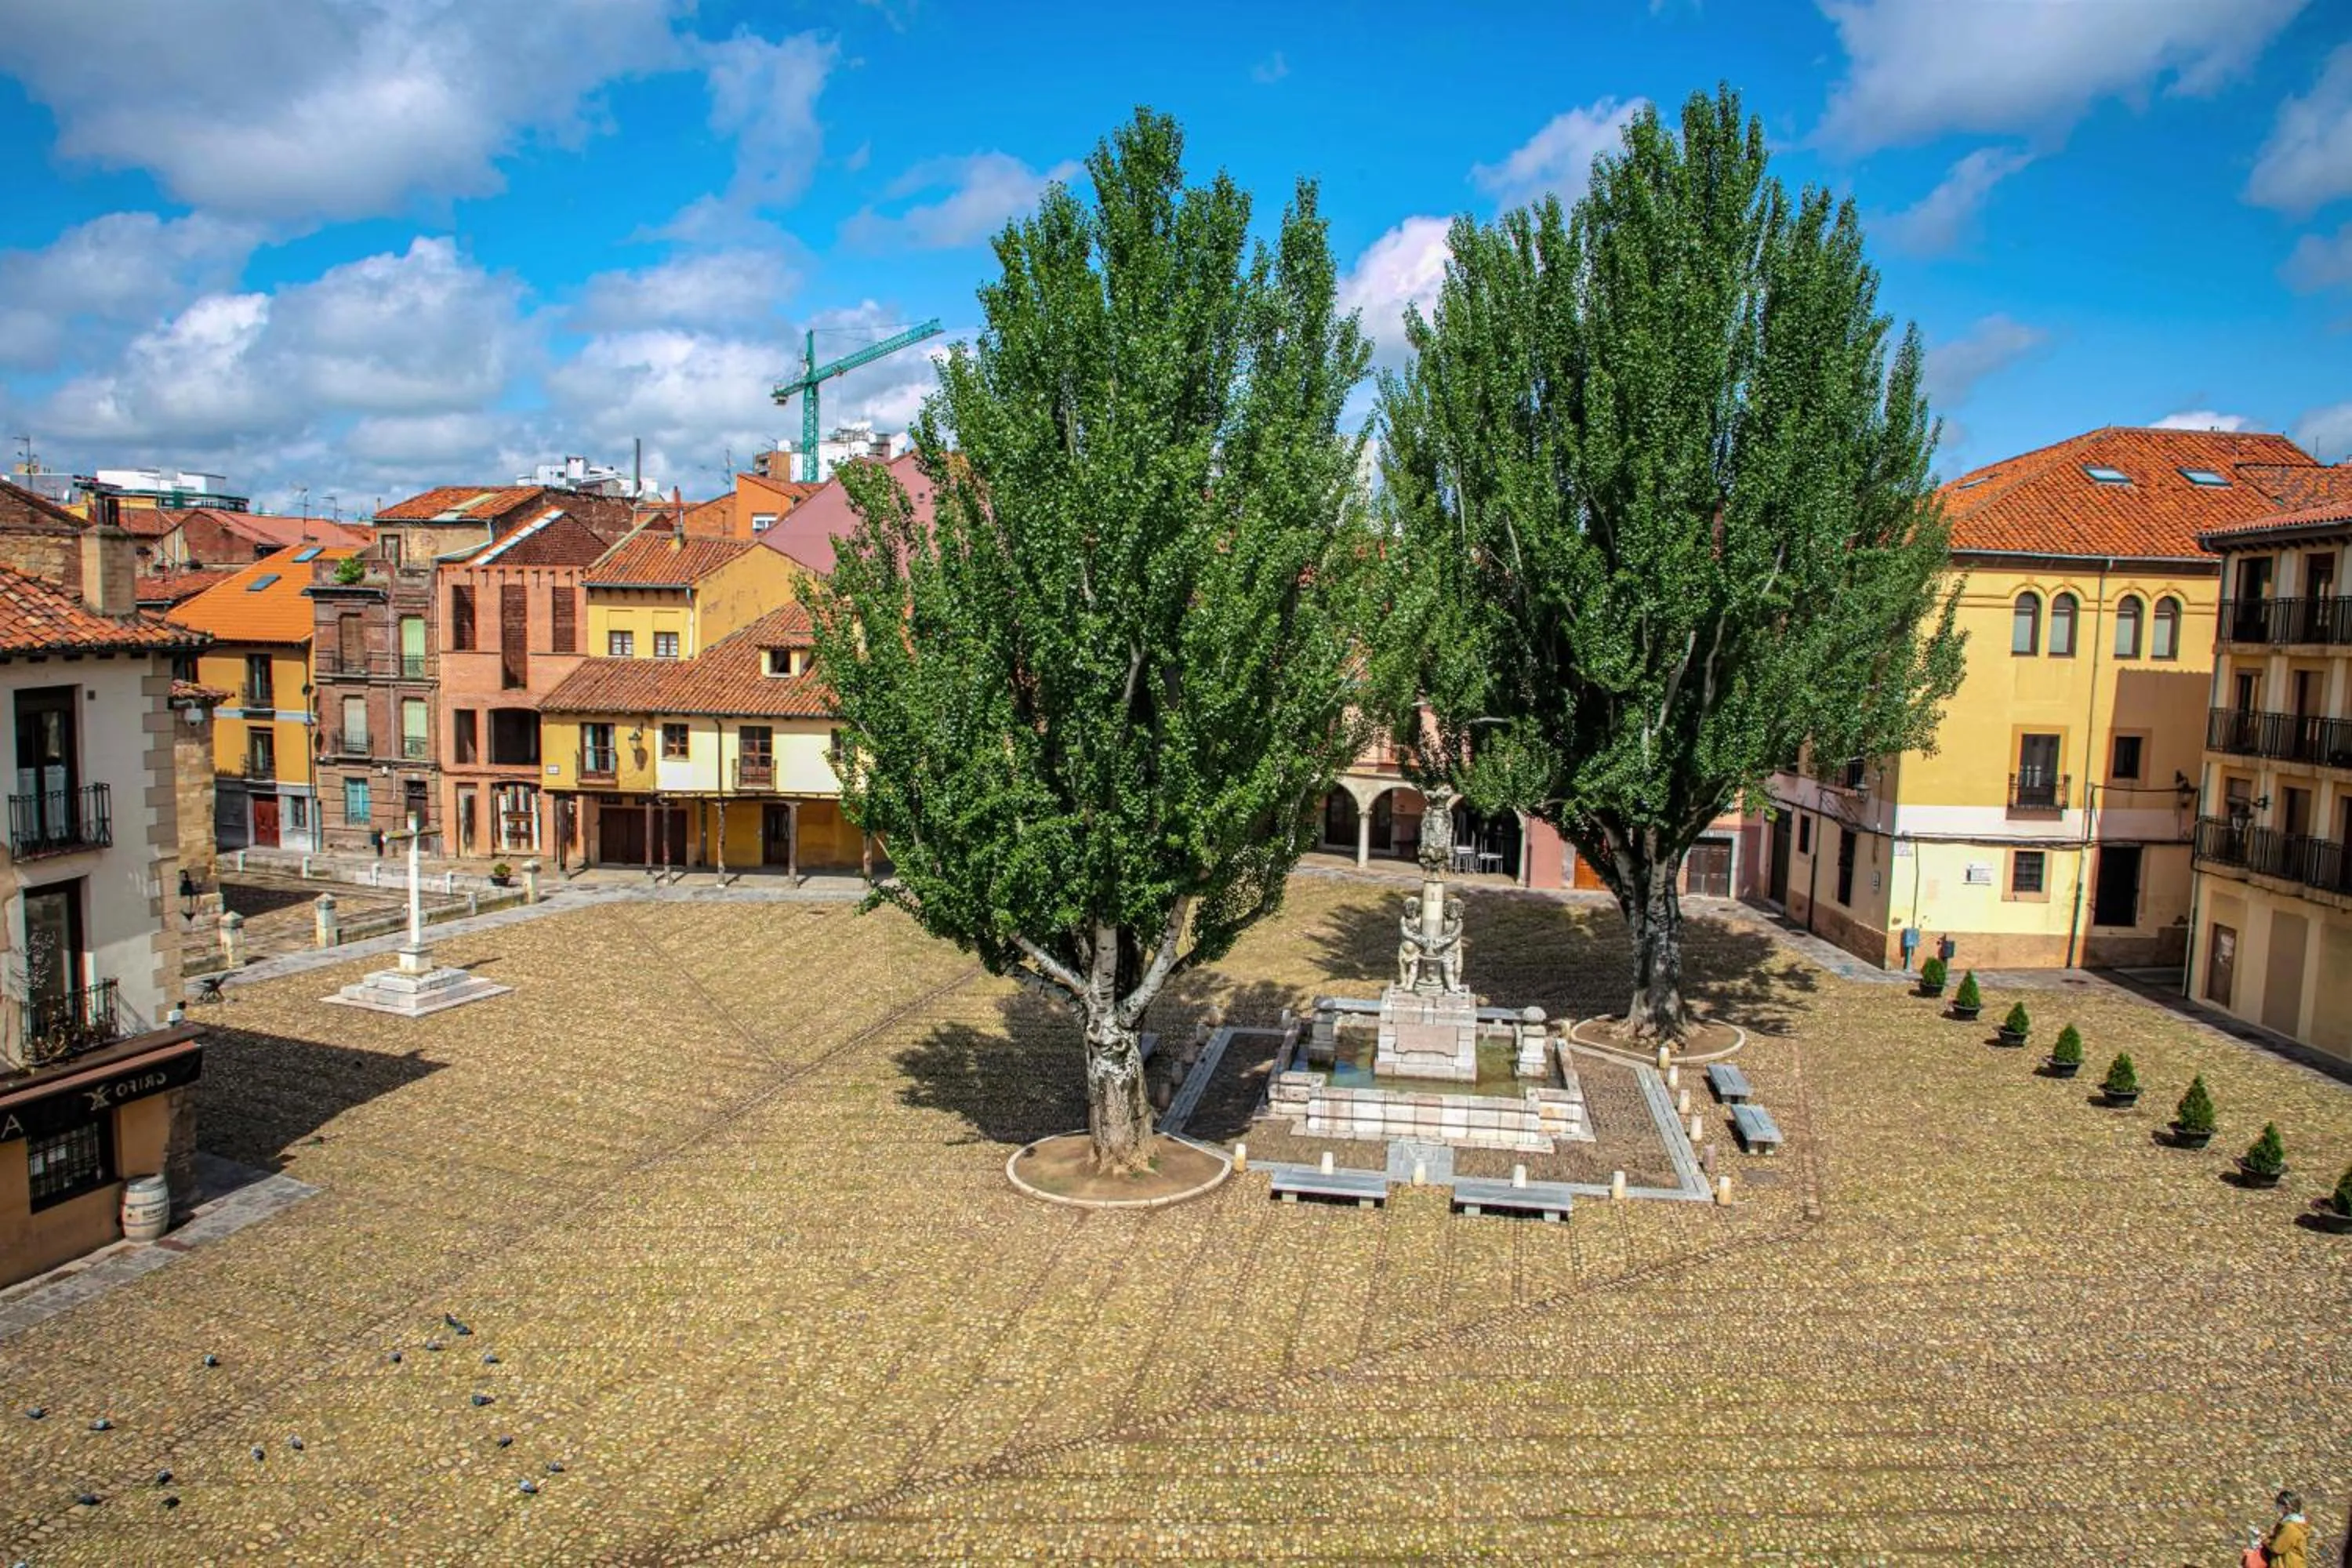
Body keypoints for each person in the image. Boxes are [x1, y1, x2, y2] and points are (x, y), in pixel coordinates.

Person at [2255, 1490, 2310, 1568]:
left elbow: (2277, 1548)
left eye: (2279, 1504)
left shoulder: (2291, 1527)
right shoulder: (2292, 1523)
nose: (2277, 1507)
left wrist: (2264, 1539)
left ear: (2287, 1507)